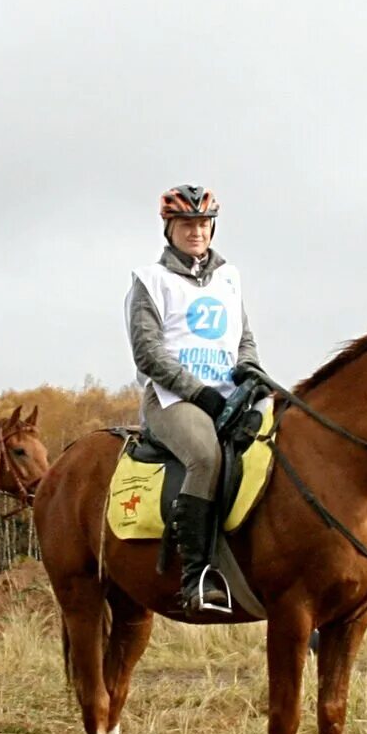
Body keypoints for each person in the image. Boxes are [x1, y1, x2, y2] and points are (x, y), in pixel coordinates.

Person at [125, 185, 266, 614]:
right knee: (205, 456)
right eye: (187, 224)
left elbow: (244, 339)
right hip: (172, 400)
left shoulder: (229, 278)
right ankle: (197, 576)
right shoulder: (150, 281)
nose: (196, 232)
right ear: (169, 228)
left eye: (203, 224)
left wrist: (249, 369)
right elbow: (147, 353)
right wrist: (198, 393)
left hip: (230, 395)